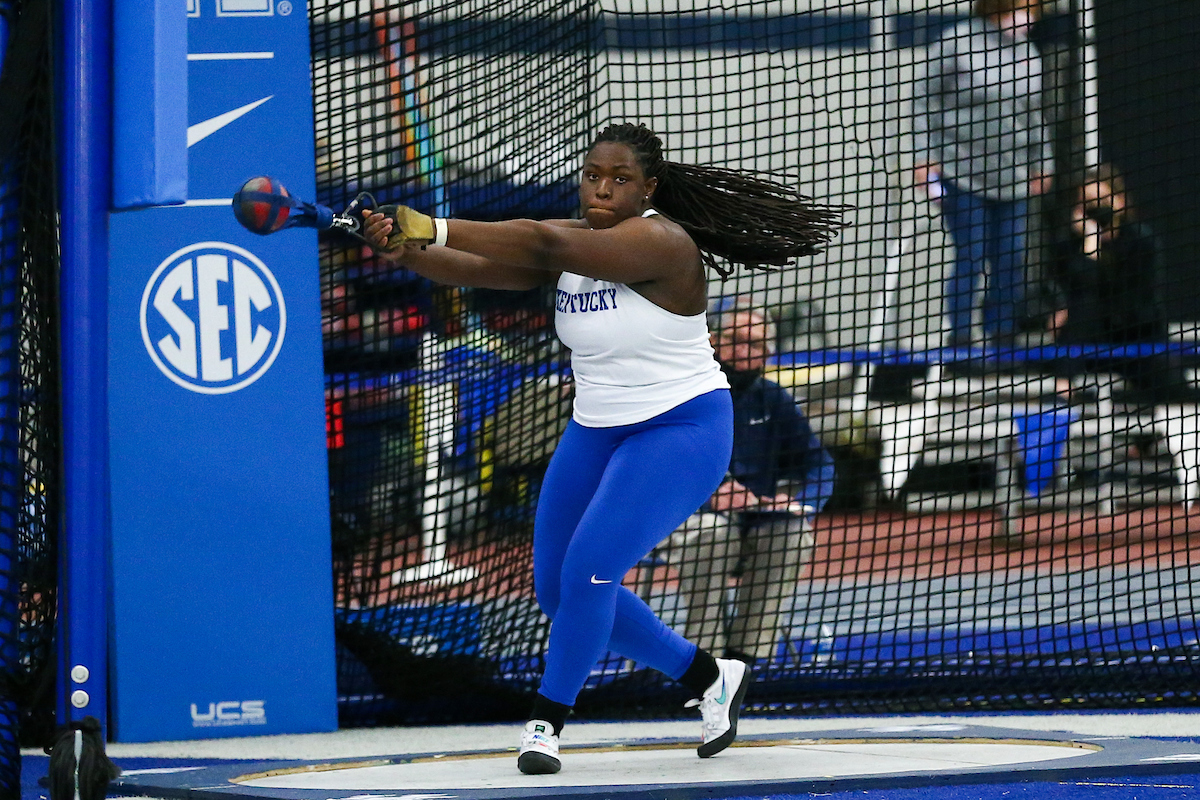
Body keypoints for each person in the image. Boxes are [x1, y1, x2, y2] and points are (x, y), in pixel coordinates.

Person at [361, 122, 846, 775]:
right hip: (595, 429)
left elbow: (536, 237)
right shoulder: (574, 243)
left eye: (620, 179)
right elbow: (479, 268)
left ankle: (545, 725)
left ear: (648, 187)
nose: (603, 187)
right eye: (594, 174)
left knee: (591, 570)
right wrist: (405, 251)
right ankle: (710, 676)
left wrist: (434, 223)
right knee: (556, 593)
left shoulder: (661, 241)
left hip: (682, 430)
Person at [654, 298, 835, 665]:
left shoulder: (773, 399)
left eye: (755, 344)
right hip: (683, 519)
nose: (744, 351)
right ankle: (702, 663)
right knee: (714, 535)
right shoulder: (678, 394)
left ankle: (743, 661)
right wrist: (711, 497)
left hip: (757, 520)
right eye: (735, 339)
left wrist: (800, 502)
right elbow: (654, 470)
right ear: (712, 340)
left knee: (793, 535)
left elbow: (819, 463)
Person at [912, 0, 1054, 348]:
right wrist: (923, 157)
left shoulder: (1028, 53)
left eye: (1032, 12)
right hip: (962, 173)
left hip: (1014, 176)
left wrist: (1043, 163)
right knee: (971, 254)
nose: (1027, 19)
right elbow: (922, 101)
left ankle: (1003, 333)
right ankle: (960, 338)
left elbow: (1034, 113)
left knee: (1010, 255)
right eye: (1021, 9)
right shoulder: (956, 43)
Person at [1049, 164, 1174, 399]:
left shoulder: (1141, 243)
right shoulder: (1068, 245)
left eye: (1102, 200)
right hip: (1090, 342)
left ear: (1120, 202)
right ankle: (1062, 390)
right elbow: (1073, 290)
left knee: (1170, 380)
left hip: (1135, 338)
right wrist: (1090, 245)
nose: (1096, 209)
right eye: (1088, 203)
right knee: (1083, 307)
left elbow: (1139, 301)